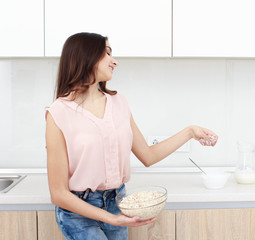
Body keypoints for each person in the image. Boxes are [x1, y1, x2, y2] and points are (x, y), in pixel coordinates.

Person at [45, 32, 218, 240]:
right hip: (78, 213)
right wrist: (111, 219)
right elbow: (58, 193)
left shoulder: (120, 103)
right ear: (85, 57)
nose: (114, 61)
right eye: (106, 53)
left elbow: (148, 155)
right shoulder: (58, 113)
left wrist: (190, 132)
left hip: (118, 202)